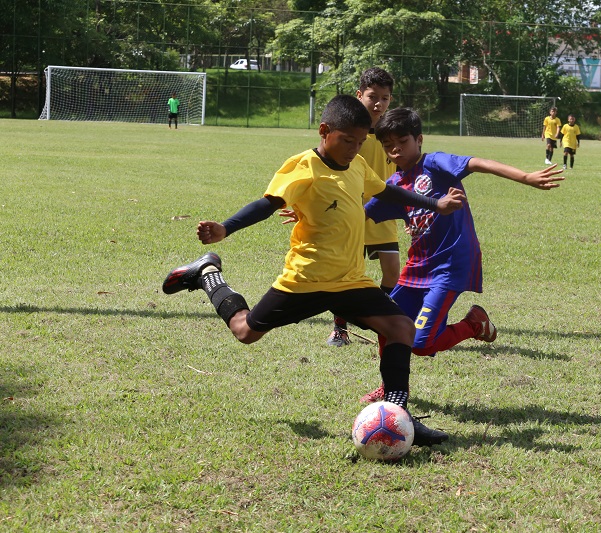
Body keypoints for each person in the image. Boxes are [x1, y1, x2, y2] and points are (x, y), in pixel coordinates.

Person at [162, 95, 466, 445]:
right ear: (325, 131)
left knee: (400, 327)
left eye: (360, 142)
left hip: (350, 281)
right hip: (305, 281)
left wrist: (435, 204)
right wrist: (225, 228)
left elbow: (388, 191)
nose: (354, 149)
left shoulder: (356, 166)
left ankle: (399, 413)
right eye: (347, 140)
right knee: (245, 331)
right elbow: (266, 205)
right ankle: (206, 274)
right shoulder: (303, 166)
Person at [358, 107, 565, 403]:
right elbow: (359, 216)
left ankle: (473, 324)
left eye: (402, 142)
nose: (395, 150)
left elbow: (478, 162)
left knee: (420, 343)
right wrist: (311, 216)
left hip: (450, 266)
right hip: (416, 269)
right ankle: (391, 385)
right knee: (386, 324)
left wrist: (525, 177)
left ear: (419, 139)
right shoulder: (394, 186)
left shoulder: (436, 162)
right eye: (388, 145)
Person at [326, 67, 400, 348]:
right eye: (372, 96)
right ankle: (339, 327)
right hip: (352, 213)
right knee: (348, 274)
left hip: (384, 213)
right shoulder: (348, 132)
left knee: (392, 272)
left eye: (385, 97)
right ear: (360, 96)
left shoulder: (392, 132)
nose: (379, 103)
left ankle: (376, 317)